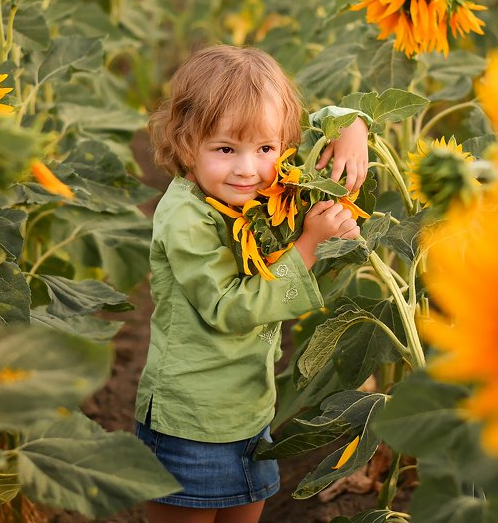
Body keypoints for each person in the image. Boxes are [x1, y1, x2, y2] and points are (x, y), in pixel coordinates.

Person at [136, 45, 370, 523]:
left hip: (250, 413)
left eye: (265, 149)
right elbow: (227, 307)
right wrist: (308, 246)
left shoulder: (258, 188)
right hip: (190, 421)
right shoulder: (185, 216)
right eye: (226, 149)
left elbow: (317, 127)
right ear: (185, 142)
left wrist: (353, 127)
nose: (248, 168)